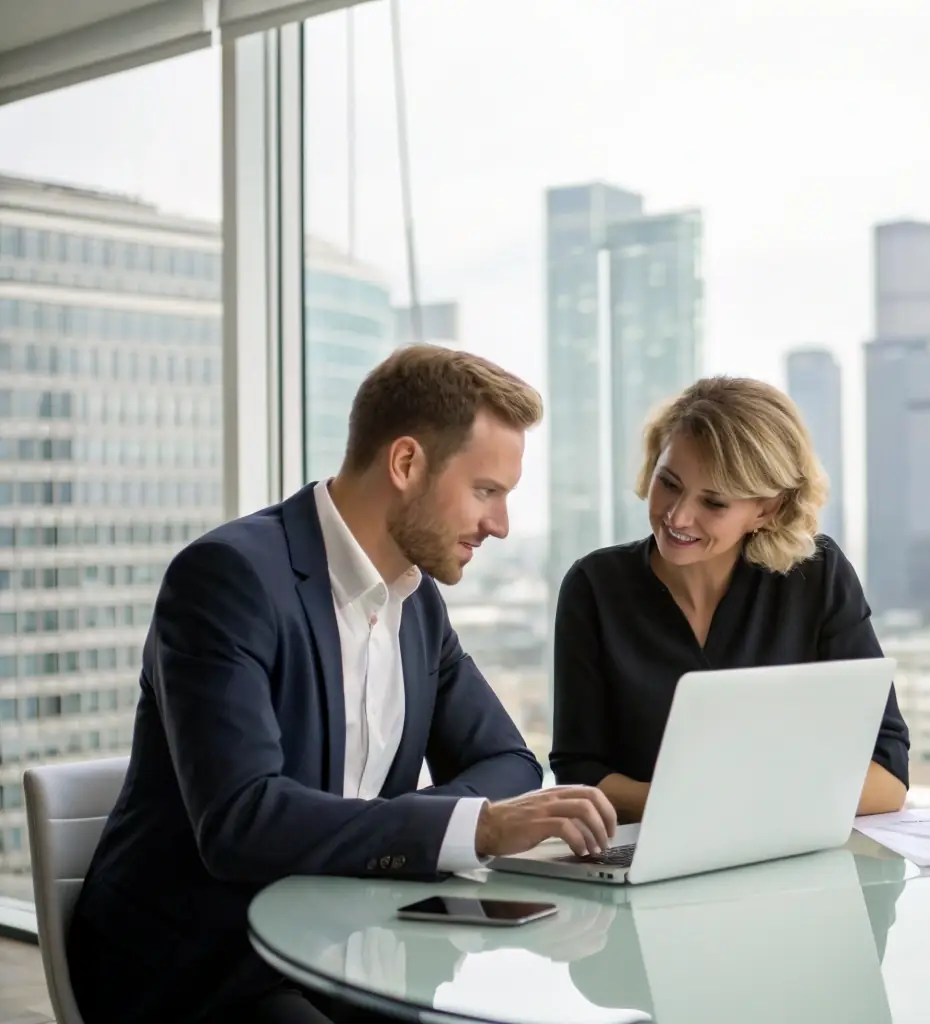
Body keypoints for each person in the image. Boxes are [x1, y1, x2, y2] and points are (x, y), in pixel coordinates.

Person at [67, 346, 617, 1024]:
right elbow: (242, 820)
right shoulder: (227, 579)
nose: (499, 524)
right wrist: (474, 826)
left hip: (359, 945)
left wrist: (455, 827)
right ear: (407, 463)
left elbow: (505, 760)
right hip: (207, 966)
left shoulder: (416, 601)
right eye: (486, 491)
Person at [550, 376, 909, 824]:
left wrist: (724, 808)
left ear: (766, 510)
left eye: (714, 503)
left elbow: (887, 773)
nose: (678, 516)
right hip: (649, 868)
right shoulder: (595, 586)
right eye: (669, 483)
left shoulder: (816, 575)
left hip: (790, 866)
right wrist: (713, 808)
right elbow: (580, 772)